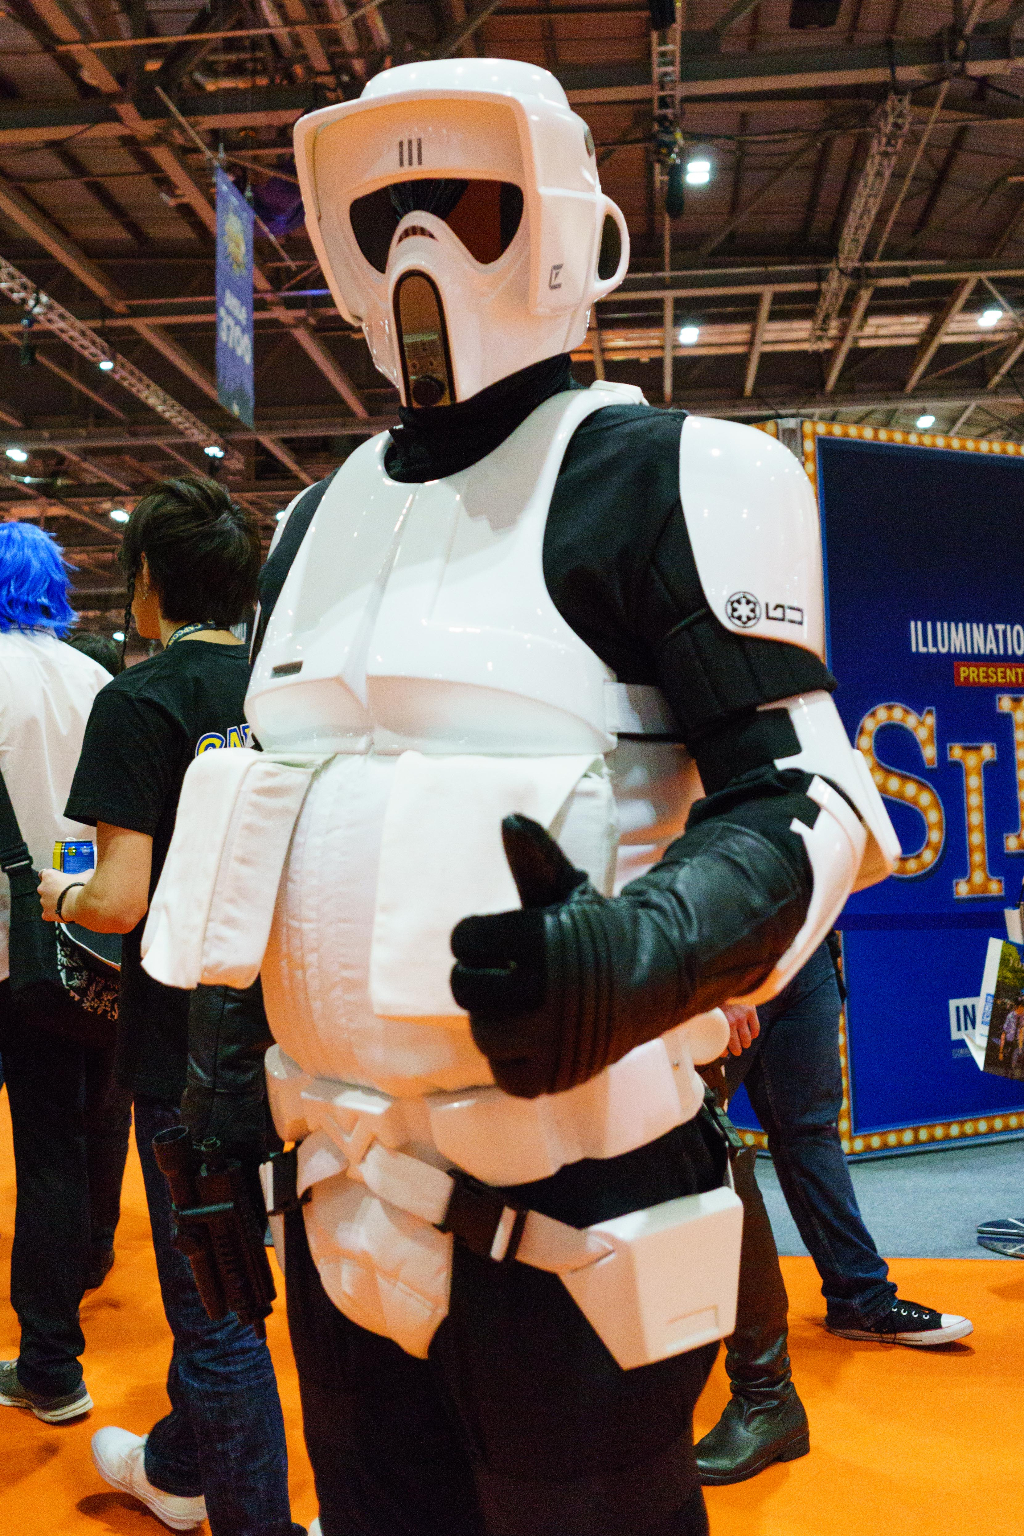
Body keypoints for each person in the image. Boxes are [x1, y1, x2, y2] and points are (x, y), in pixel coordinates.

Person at [155, 59, 898, 1536]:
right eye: (384, 217)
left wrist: (641, 954)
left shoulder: (676, 475)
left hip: (577, 1210)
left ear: (566, 227)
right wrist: (218, 1120)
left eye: (464, 203)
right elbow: (264, 833)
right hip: (336, 1195)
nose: (421, 250)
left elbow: (812, 793)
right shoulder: (309, 523)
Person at [38, 477, 302, 1536]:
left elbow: (119, 898)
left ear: (146, 578)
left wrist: (54, 895)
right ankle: (184, 1467)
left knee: (215, 1305)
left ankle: (251, 1517)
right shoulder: (288, 692)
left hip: (188, 1045)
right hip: (299, 1027)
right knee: (268, 1272)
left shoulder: (140, 700)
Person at [695, 940, 972, 1486]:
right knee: (707, 1150)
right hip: (721, 966)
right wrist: (723, 981)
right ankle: (760, 1389)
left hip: (804, 956)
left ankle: (861, 1301)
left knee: (809, 1130)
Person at [0, 521, 131, 1426]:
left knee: (47, 1143)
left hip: (11, 945)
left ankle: (50, 1363)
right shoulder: (94, 678)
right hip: (89, 927)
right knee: (90, 1116)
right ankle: (85, 1263)